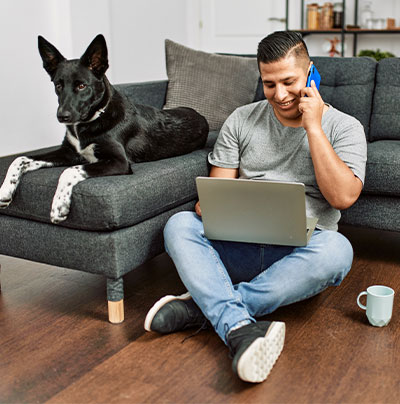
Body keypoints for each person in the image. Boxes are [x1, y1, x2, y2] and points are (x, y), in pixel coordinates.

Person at [144, 31, 367, 383]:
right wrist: (211, 206)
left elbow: (343, 197)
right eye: (269, 84)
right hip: (238, 247)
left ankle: (212, 309)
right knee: (179, 226)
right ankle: (237, 323)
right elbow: (217, 192)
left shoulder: (345, 127)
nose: (279, 95)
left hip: (299, 254)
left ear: (311, 73)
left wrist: (313, 128)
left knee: (338, 251)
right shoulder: (241, 120)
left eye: (290, 82)